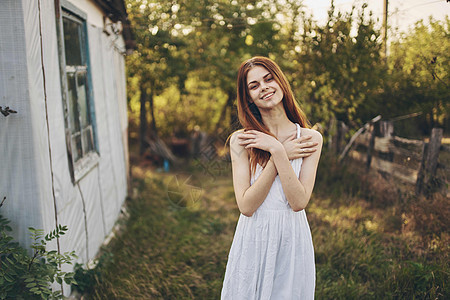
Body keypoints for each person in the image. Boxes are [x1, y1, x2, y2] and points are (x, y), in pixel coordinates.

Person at [221, 56, 322, 299]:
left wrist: (276, 151)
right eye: (254, 86)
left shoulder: (310, 139)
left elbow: (298, 202)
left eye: (268, 79)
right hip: (254, 234)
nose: (264, 87)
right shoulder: (241, 141)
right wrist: (280, 154)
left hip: (291, 238)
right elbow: (246, 206)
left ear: (281, 82)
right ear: (248, 98)